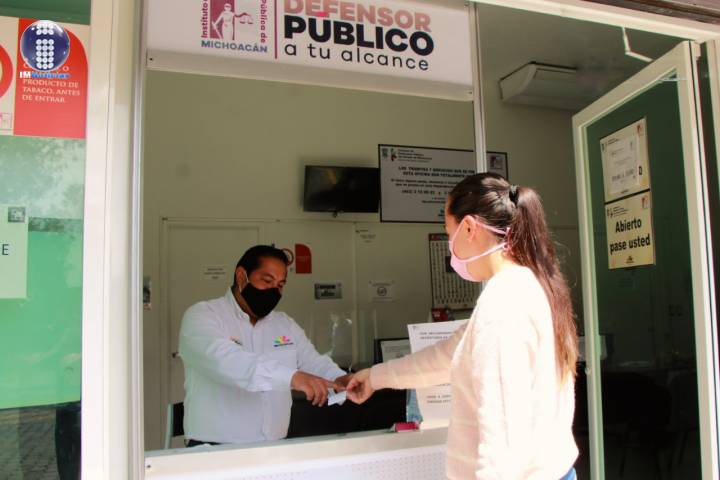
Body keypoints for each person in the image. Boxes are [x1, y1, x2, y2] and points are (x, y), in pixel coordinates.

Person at [347, 173, 579, 479]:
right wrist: (375, 377)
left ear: (469, 228)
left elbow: (502, 437)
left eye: (448, 232)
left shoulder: (503, 305)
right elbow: (444, 358)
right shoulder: (531, 285)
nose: (450, 247)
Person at [179, 245, 352, 446]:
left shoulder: (284, 324)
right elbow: (227, 361)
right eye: (267, 281)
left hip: (275, 446)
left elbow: (311, 361)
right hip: (215, 448)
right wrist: (293, 378)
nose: (274, 291)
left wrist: (339, 379)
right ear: (241, 276)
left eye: (280, 285)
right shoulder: (204, 315)